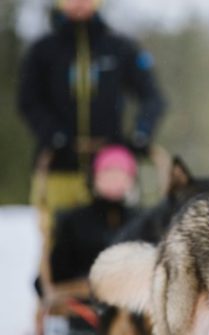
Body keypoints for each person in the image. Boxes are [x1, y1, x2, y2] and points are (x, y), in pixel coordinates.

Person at [17, 0, 165, 332]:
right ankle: (68, 312)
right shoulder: (44, 51)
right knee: (63, 238)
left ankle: (125, 314)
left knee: (126, 235)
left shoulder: (119, 47)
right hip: (60, 167)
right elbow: (28, 100)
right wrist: (52, 134)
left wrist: (140, 133)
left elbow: (152, 97)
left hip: (114, 166)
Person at [45, 145, 143, 334]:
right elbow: (51, 277)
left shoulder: (144, 221)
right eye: (108, 172)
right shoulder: (73, 221)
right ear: (94, 178)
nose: (114, 179)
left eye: (121, 173)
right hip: (80, 316)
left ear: (131, 179)